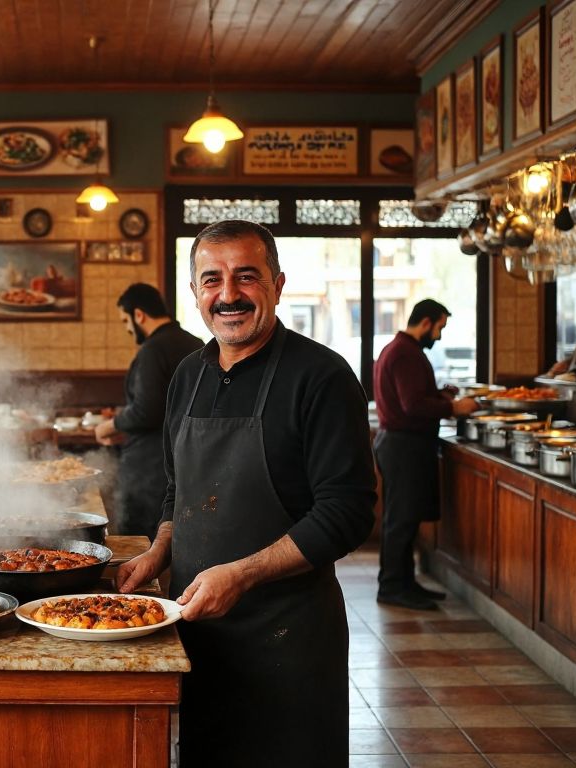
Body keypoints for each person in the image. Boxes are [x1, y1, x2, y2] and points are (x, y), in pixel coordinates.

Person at [116, 220, 375, 766]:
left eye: (246, 276)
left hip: (287, 641)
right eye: (212, 279)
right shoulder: (188, 374)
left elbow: (348, 513)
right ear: (194, 292)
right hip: (197, 634)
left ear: (278, 284)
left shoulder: (321, 377)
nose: (228, 294)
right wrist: (160, 550)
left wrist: (243, 573)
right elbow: (176, 489)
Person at [373, 300, 480, 611]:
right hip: (403, 447)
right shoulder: (406, 353)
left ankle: (404, 582)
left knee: (402, 519)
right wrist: (453, 407)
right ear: (426, 322)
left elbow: (414, 397)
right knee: (401, 521)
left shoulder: (399, 349)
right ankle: (393, 586)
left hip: (398, 444)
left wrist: (439, 395)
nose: (440, 336)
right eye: (440, 327)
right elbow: (411, 405)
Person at [94, 283, 202, 538]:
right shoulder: (194, 343)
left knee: (140, 544)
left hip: (149, 470)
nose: (128, 329)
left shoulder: (153, 350)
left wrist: (111, 425)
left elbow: (147, 410)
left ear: (139, 315)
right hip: (187, 461)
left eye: (126, 321)